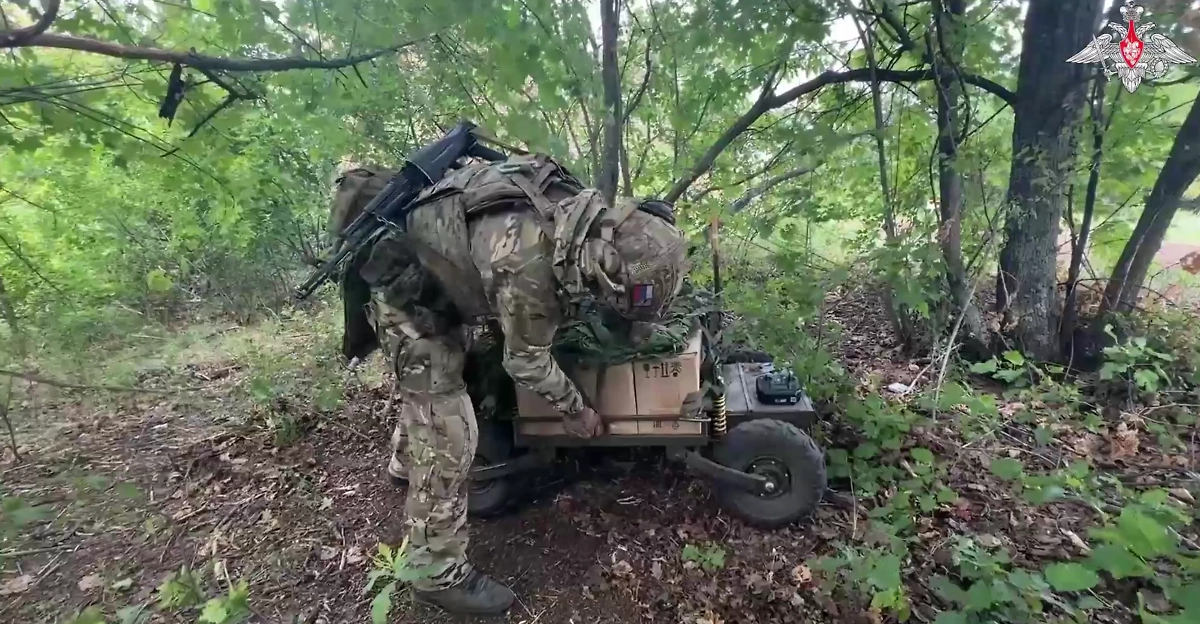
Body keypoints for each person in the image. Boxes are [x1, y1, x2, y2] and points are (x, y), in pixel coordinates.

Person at [329, 153, 689, 616]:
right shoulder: (531, 267)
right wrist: (576, 410)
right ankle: (434, 572)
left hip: (442, 275)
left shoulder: (579, 215)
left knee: (445, 385)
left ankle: (404, 464)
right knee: (450, 430)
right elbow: (526, 360)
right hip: (408, 299)